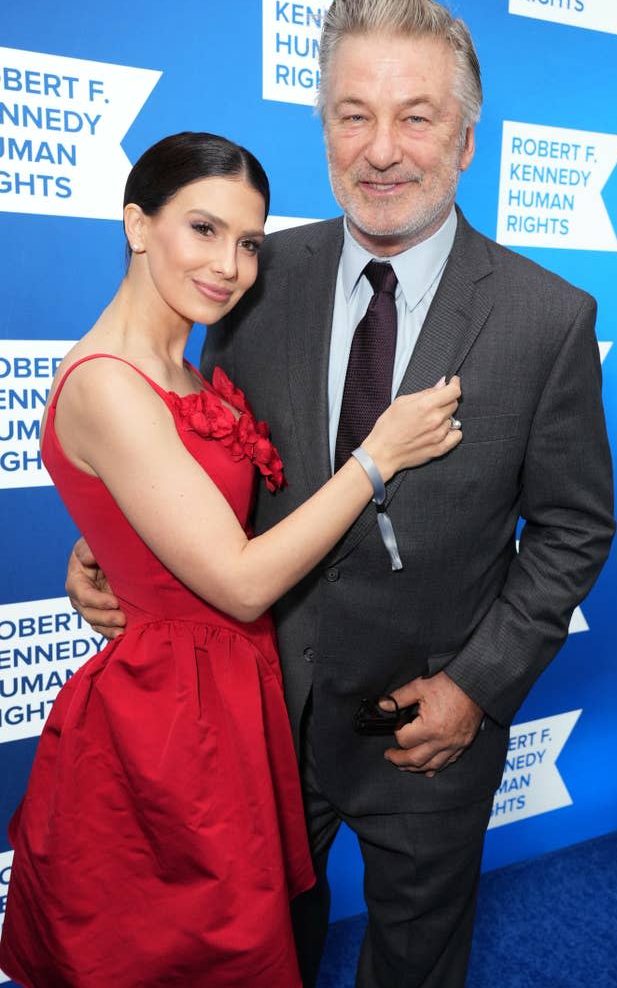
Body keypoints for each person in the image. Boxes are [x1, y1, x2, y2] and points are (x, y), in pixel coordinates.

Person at [66, 0, 616, 988]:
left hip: (428, 730)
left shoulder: (548, 319)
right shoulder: (249, 275)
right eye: (352, 114)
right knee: (270, 953)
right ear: (322, 123)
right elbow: (199, 442)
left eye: (416, 116)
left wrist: (472, 691)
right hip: (258, 716)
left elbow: (575, 530)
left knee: (415, 962)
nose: (380, 148)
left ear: (465, 138)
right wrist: (112, 542)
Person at [0, 131, 462, 988]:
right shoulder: (107, 382)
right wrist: (378, 456)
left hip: (232, 697)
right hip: (169, 720)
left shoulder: (185, 364)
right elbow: (242, 581)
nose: (231, 265)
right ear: (137, 224)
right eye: (203, 230)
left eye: (249, 242)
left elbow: (170, 505)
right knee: (180, 953)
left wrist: (105, 541)